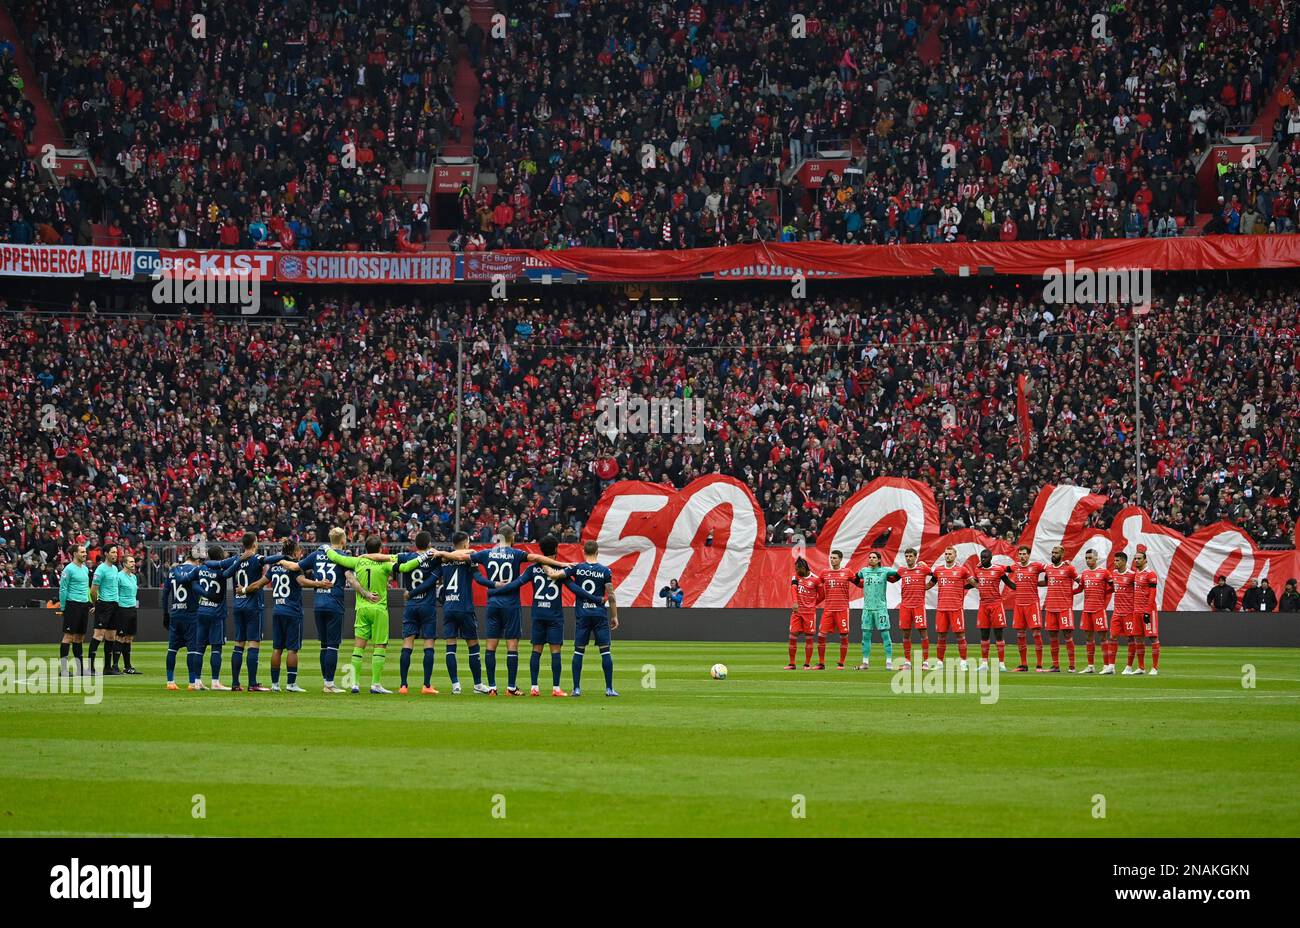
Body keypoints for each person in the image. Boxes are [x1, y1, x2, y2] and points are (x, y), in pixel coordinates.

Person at [441, 523, 568, 695]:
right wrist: (560, 563)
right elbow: (537, 559)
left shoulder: (485, 554)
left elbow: (461, 558)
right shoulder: (517, 553)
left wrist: (441, 553)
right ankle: (510, 687)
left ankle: (492, 687)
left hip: (492, 602)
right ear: (512, 538)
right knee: (512, 645)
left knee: (491, 645)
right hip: (511, 603)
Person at [326, 535, 424, 694]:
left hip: (362, 609)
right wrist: (423, 557)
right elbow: (406, 567)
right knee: (380, 646)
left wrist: (325, 548)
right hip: (378, 609)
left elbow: (335, 556)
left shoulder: (357, 561)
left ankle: (355, 684)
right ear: (380, 550)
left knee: (359, 646)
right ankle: (375, 684)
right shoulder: (385, 564)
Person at [257, 540, 334, 692]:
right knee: (292, 649)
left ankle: (275, 684)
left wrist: (246, 589)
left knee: (277, 648)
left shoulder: (275, 566)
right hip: (292, 611)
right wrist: (319, 583)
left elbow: (262, 583)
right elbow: (302, 582)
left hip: (277, 609)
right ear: (294, 552)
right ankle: (291, 684)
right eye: (299, 551)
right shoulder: (294, 565)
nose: (301, 554)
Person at [547, 539, 619, 697]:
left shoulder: (577, 568)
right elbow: (611, 595)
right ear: (597, 552)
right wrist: (614, 616)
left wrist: (557, 569)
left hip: (583, 615)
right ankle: (609, 689)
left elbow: (556, 576)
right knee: (605, 651)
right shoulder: (605, 571)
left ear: (584, 552)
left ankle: (577, 688)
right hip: (599, 615)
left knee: (579, 651)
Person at [227, 532, 286, 691]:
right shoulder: (256, 558)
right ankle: (252, 684)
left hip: (238, 605)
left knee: (239, 643)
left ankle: (235, 683)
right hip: (252, 605)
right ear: (254, 544)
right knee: (253, 642)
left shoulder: (236, 560)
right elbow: (268, 560)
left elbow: (224, 572)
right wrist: (283, 555)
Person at [396, 532, 441, 695]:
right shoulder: (435, 558)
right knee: (428, 644)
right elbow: (431, 582)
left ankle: (403, 685)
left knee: (407, 643)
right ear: (429, 543)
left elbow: (385, 558)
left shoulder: (407, 557)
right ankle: (426, 685)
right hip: (427, 606)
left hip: (411, 606)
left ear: (415, 544)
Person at [163, 550, 204, 690]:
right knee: (192, 649)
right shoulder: (195, 570)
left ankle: (170, 682)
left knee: (172, 648)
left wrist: (165, 613)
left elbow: (165, 594)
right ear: (197, 560)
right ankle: (192, 683)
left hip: (175, 613)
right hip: (191, 614)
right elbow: (197, 590)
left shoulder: (173, 570)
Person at [851, 551, 897, 670]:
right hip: (867, 609)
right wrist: (860, 584)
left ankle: (888, 661)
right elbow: (854, 578)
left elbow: (899, 573)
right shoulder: (864, 571)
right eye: (870, 557)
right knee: (866, 636)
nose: (871, 559)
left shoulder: (885, 571)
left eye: (874, 557)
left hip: (880, 608)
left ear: (879, 560)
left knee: (885, 635)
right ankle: (865, 662)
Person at [971, 548, 1014, 672]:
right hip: (983, 605)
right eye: (981, 557)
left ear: (990, 558)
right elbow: (974, 583)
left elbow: (1009, 583)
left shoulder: (998, 570)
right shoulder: (977, 569)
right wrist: (959, 585)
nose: (982, 559)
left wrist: (1021, 588)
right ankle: (984, 663)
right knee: (984, 634)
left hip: (996, 605)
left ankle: (1001, 663)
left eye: (985, 557)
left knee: (998, 634)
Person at [930, 545, 972, 671]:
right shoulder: (938, 570)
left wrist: (981, 584)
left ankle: (964, 662)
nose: (947, 556)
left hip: (956, 608)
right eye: (946, 554)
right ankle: (939, 663)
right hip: (942, 608)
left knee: (960, 635)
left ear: (955, 556)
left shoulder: (962, 570)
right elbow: (930, 584)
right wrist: (918, 587)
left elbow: (973, 583)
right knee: (941, 636)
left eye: (950, 554)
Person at [1040, 544, 1078, 672]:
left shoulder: (1069, 569)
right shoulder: (1049, 569)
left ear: (1062, 555)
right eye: (1052, 552)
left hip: (1064, 608)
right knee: (1052, 637)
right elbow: (1046, 582)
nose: (1053, 555)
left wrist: (1073, 592)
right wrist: (1032, 583)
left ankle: (1072, 666)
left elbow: (1081, 582)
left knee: (1067, 636)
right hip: (1050, 607)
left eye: (1056, 553)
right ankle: (1055, 666)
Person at [1009, 545, 1047, 672]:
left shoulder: (1036, 566)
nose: (1022, 556)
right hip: (1019, 604)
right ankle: (1023, 665)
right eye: (1020, 554)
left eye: (1024, 554)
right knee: (1020, 634)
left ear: (1029, 555)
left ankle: (1039, 665)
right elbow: (1003, 569)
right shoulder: (1015, 566)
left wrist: (1045, 581)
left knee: (1036, 633)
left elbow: (1050, 570)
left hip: (1032, 604)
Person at [1075, 549, 1113, 674]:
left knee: (1103, 637)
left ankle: (1107, 665)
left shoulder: (1104, 573)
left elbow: (1113, 587)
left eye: (1090, 557)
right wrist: (1068, 592)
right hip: (1087, 610)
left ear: (1096, 558)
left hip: (1098, 609)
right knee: (1088, 638)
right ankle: (1090, 666)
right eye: (1086, 558)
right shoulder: (1085, 573)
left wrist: (1104, 593)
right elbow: (1080, 588)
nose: (1088, 560)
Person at [817, 549, 855, 670]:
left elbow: (859, 583)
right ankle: (821, 663)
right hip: (828, 609)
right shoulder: (824, 573)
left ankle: (841, 663)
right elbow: (816, 584)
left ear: (840, 559)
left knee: (843, 635)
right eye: (831, 558)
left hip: (842, 609)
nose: (832, 560)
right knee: (821, 635)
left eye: (834, 558)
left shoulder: (847, 572)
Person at [57, 543, 91, 677]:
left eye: (85, 552)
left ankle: (80, 668)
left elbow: (86, 588)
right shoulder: (68, 569)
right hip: (72, 605)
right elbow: (63, 589)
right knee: (68, 636)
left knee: (80, 637)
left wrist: (89, 603)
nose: (85, 554)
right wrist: (63, 607)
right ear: (75, 553)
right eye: (82, 552)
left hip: (83, 605)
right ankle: (64, 670)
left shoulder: (85, 569)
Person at [895, 547, 931, 669]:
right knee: (906, 634)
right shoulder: (902, 570)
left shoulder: (923, 569)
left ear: (916, 557)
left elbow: (935, 576)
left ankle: (926, 661)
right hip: (905, 606)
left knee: (923, 633)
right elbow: (892, 579)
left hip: (918, 606)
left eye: (911, 556)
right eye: (907, 556)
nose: (908, 558)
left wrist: (927, 586)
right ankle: (907, 662)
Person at [88, 544, 121, 676]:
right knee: (98, 635)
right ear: (106, 553)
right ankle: (89, 667)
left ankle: (107, 667)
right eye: (113, 552)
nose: (115, 555)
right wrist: (98, 604)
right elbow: (93, 591)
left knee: (111, 636)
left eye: (116, 552)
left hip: (114, 605)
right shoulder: (100, 569)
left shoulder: (115, 569)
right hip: (104, 604)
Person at [786, 556, 823, 670]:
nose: (796, 571)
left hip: (809, 613)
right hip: (797, 612)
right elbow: (793, 589)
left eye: (798, 569)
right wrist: (795, 602)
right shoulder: (796, 577)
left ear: (804, 568)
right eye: (796, 569)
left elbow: (822, 595)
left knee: (809, 638)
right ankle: (792, 664)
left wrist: (813, 603)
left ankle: (807, 664)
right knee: (792, 636)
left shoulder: (816, 579)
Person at [1130, 547, 1161, 675]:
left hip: (1148, 611)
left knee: (1153, 637)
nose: (1136, 560)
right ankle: (1141, 667)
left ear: (1145, 560)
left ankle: (1154, 668)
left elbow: (1153, 594)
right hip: (1136, 611)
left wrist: (1148, 610)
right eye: (1135, 558)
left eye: (1139, 558)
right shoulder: (1136, 573)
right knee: (1138, 638)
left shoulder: (1150, 574)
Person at [113, 554, 141, 674]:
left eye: (133, 561)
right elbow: (115, 592)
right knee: (120, 636)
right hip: (122, 609)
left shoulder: (134, 577)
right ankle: (114, 665)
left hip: (132, 608)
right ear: (124, 564)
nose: (133, 564)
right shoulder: (119, 576)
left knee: (129, 637)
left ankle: (127, 666)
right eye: (130, 562)